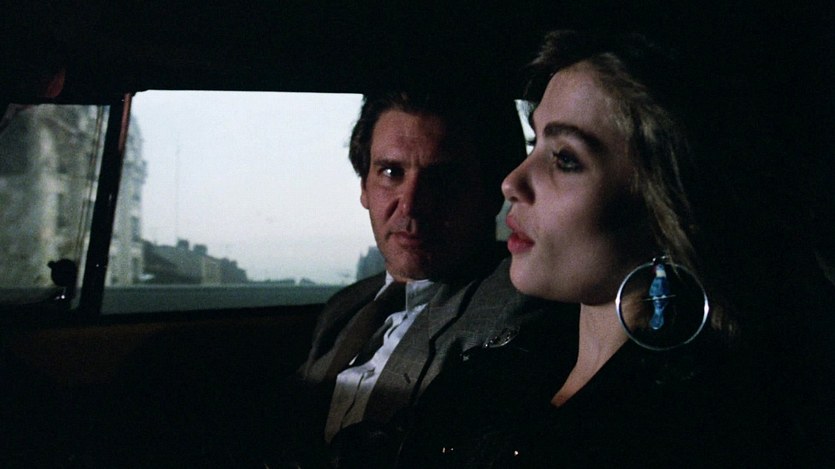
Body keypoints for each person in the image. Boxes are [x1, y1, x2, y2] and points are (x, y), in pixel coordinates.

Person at [394, 30, 835, 467]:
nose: (512, 182)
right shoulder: (496, 368)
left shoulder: (711, 427)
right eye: (535, 143)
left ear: (666, 204)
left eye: (565, 158)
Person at [256, 89, 557, 467]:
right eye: (391, 172)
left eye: (443, 178)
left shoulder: (518, 303)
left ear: (491, 192)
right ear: (364, 187)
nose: (411, 204)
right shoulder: (346, 307)